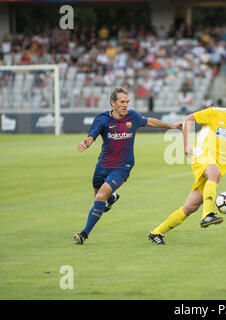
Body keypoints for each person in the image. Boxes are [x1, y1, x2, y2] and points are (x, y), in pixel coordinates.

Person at [148, 88, 226, 245]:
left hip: (217, 167)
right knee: (214, 172)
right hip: (202, 155)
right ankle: (207, 214)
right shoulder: (214, 112)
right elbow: (188, 119)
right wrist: (186, 146)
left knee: (191, 206)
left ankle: (156, 232)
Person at [74, 88, 182, 245]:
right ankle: (111, 199)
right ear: (113, 103)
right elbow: (92, 136)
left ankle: (84, 233)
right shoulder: (102, 119)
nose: (125, 105)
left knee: (100, 197)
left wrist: (170, 126)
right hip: (103, 164)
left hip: (123, 166)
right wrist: (86, 142)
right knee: (98, 195)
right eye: (122, 102)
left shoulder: (133, 117)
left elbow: (150, 121)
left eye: (127, 102)